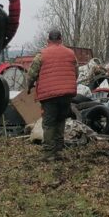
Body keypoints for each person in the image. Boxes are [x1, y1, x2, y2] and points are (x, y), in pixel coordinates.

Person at [27, 29, 78, 158]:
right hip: (66, 95)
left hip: (49, 96)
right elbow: (75, 72)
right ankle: (59, 150)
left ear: (48, 40)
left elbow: (32, 73)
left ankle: (49, 153)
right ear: (61, 39)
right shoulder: (71, 54)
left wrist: (29, 86)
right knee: (61, 121)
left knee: (49, 123)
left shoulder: (42, 55)